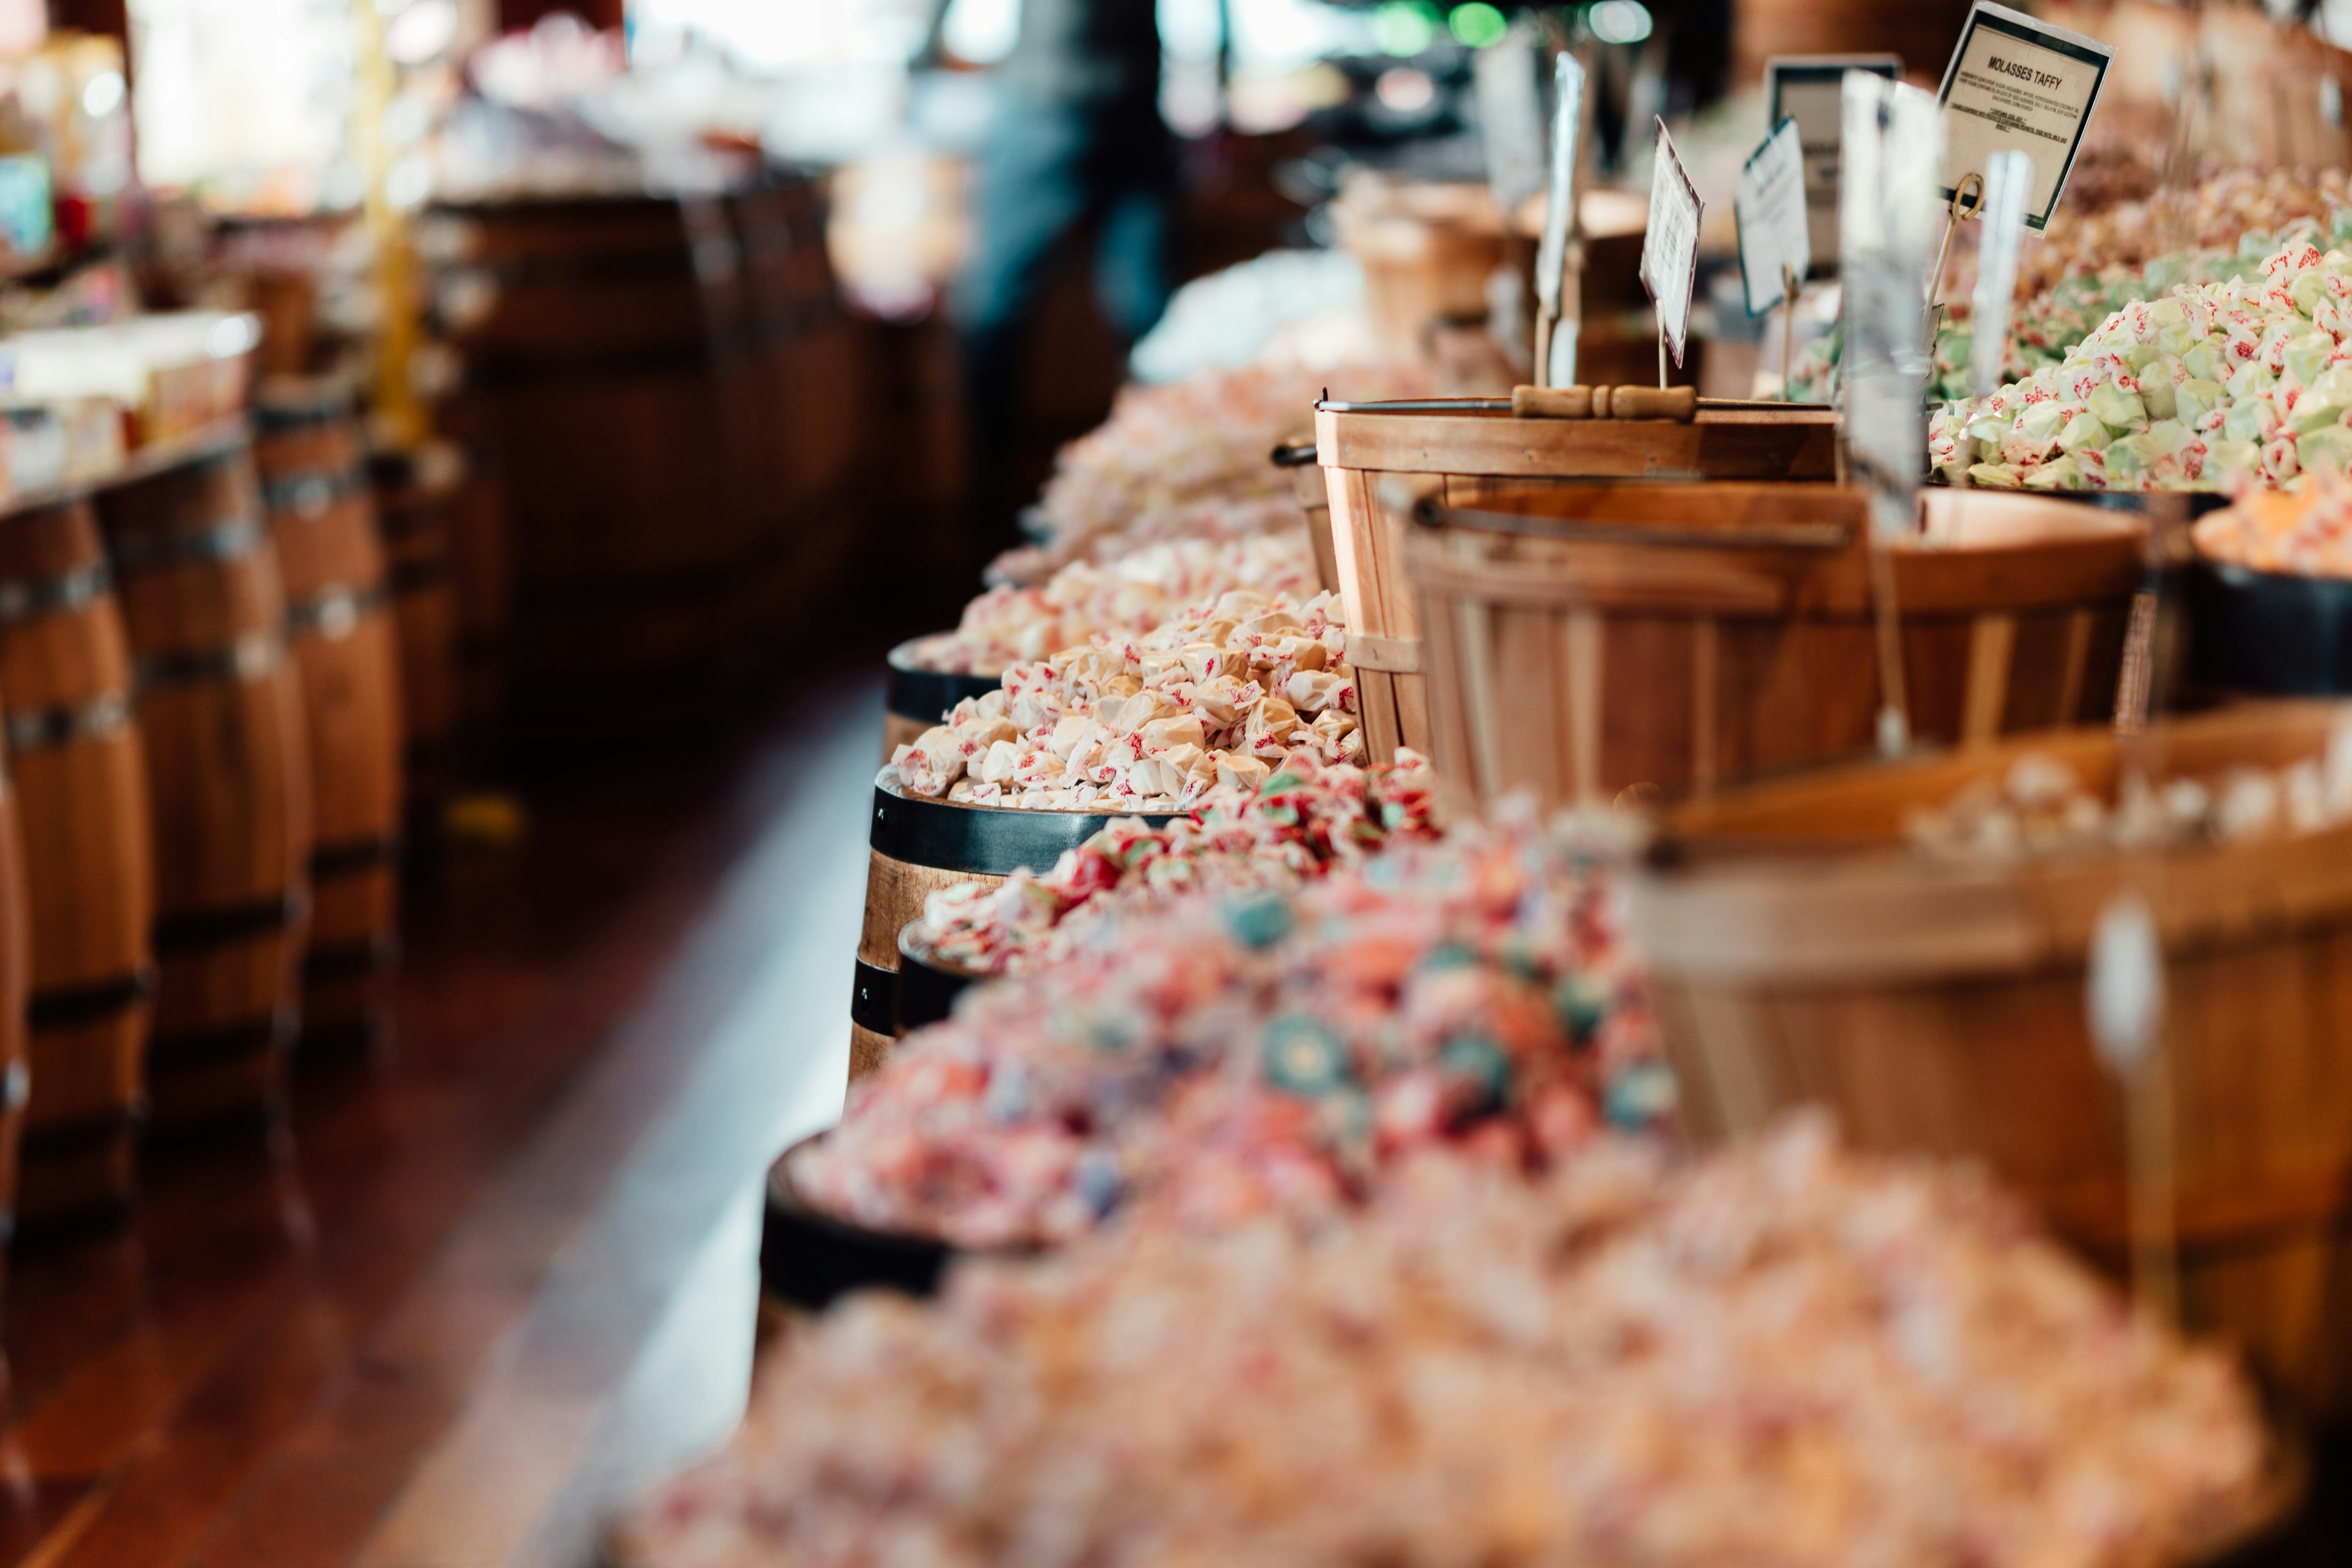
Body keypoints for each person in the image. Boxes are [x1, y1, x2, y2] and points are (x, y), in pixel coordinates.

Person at [929, 0, 1177, 542]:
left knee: (1141, 320)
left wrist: (925, 49)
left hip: (1066, 103)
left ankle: (1165, 498)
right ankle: (989, 509)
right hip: (1085, 103)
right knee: (1137, 320)